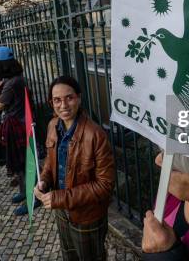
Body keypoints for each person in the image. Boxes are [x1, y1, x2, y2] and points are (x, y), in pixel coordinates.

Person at [34, 76, 115, 261]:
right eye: (57, 100)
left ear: (78, 98)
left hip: (87, 215)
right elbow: (50, 160)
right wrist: (45, 180)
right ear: (51, 102)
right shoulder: (53, 125)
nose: (63, 105)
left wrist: (60, 197)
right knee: (68, 255)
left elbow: (105, 185)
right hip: (61, 209)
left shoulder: (95, 135)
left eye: (69, 98)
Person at [0, 46, 30, 215]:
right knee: (20, 164)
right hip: (19, 124)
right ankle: (23, 192)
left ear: (1, 65)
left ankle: (31, 199)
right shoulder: (14, 79)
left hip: (18, 127)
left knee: (24, 164)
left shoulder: (11, 84)